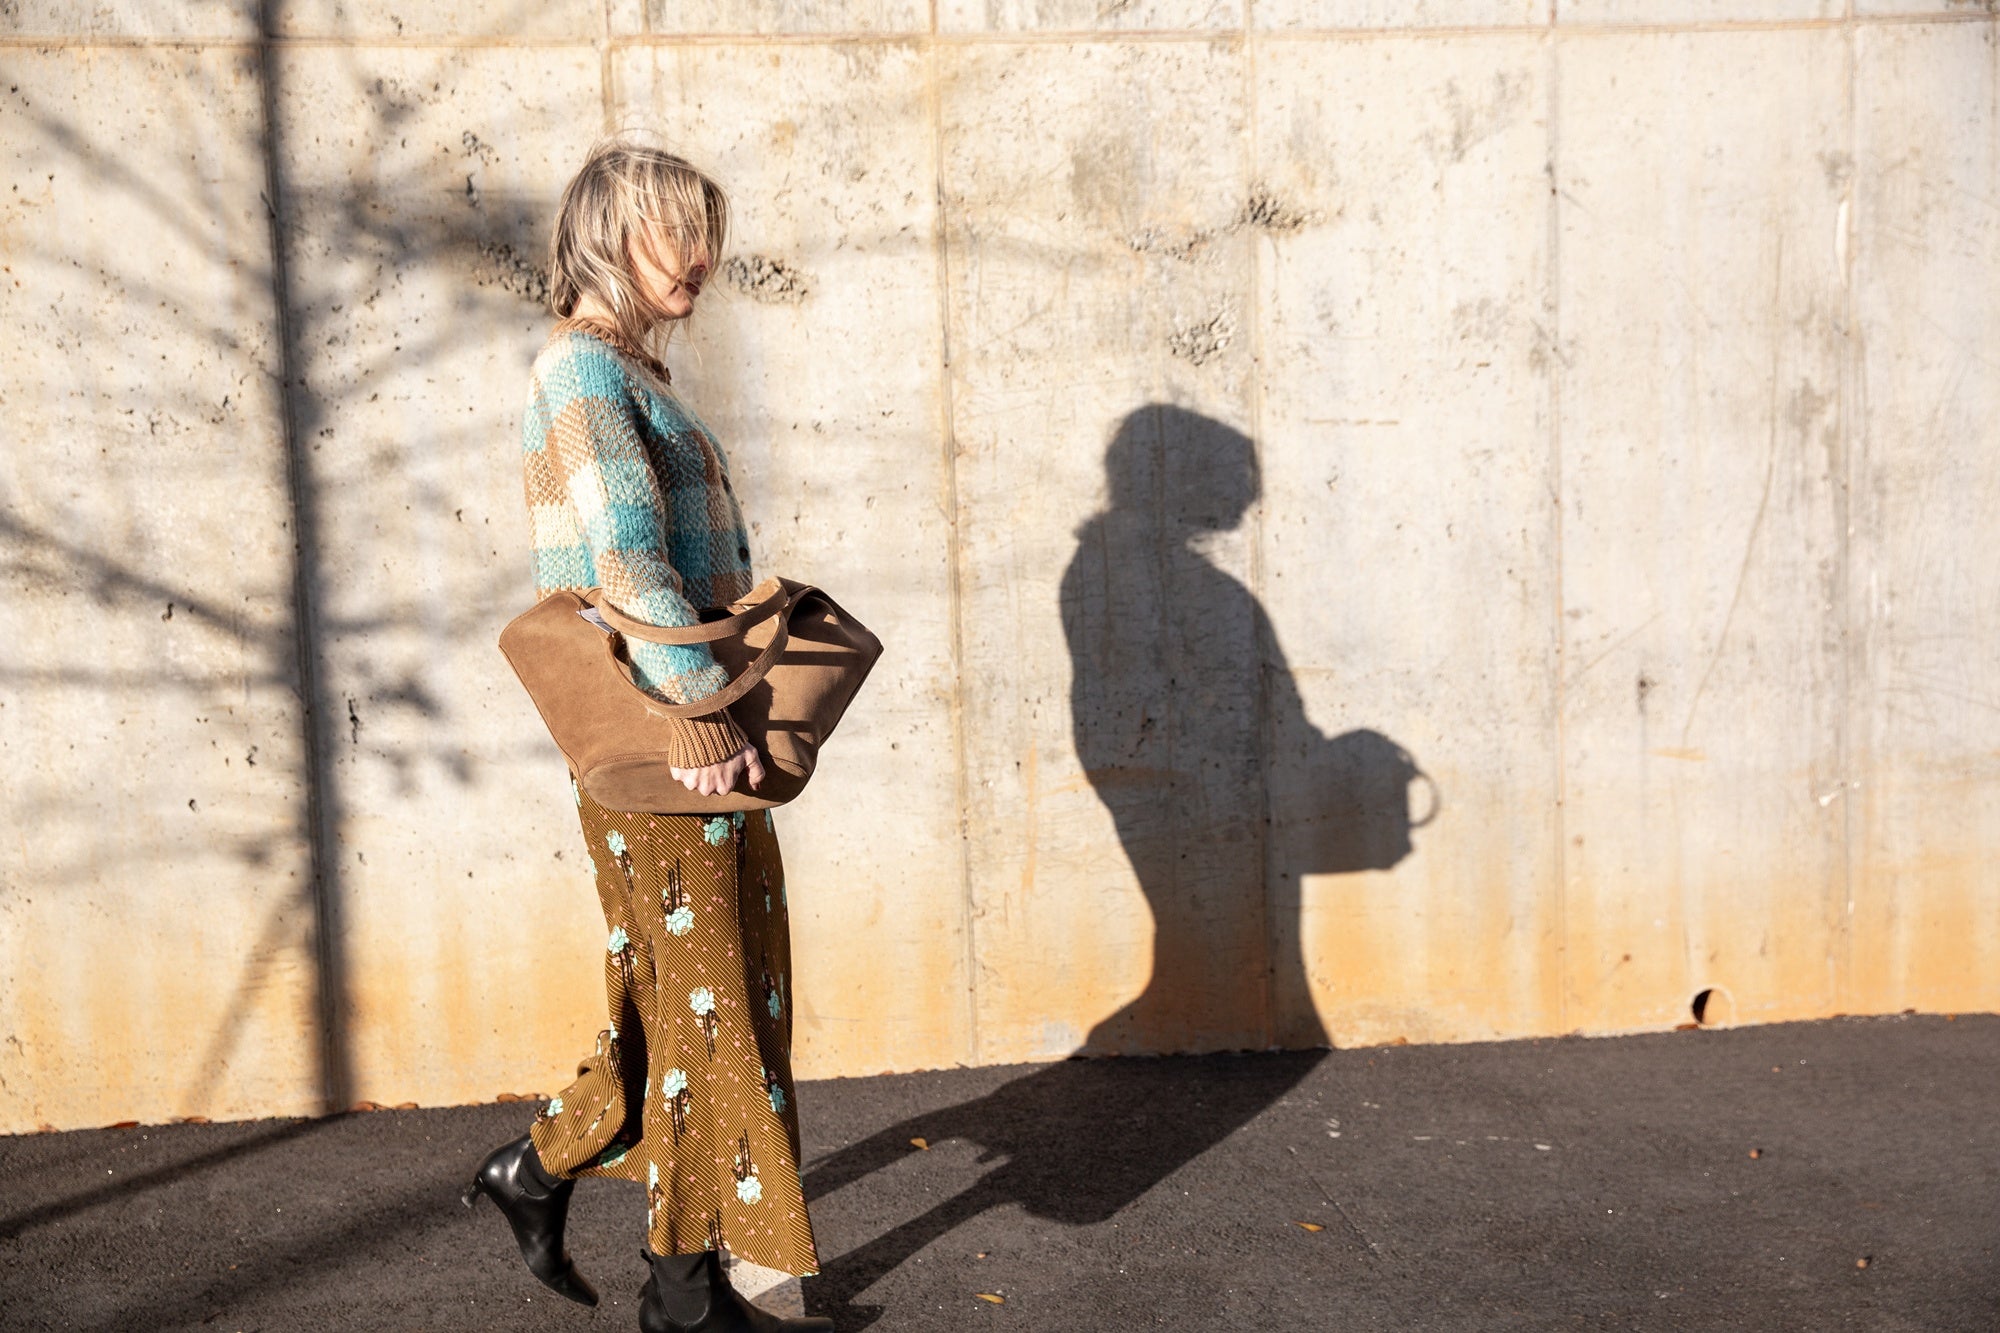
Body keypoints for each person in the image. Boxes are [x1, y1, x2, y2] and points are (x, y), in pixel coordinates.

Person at [462, 134, 833, 1333]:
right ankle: (683, 1288)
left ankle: (538, 1169)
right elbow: (627, 565)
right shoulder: (582, 376)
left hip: (676, 745)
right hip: (671, 748)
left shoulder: (629, 374)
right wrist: (703, 712)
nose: (702, 253)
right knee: (712, 1013)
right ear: (607, 234)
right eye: (676, 227)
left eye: (707, 228)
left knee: (682, 1003)